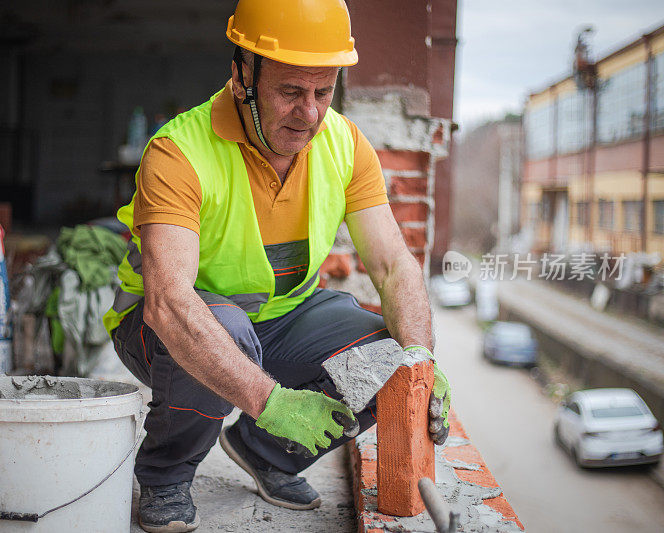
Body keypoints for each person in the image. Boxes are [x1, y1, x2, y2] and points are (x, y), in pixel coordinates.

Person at [105, 1, 451, 531]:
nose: (310, 113)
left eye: (323, 91)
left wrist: (419, 358)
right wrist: (271, 400)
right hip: (161, 327)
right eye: (290, 91)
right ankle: (165, 475)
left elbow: (392, 265)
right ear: (244, 73)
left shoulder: (345, 143)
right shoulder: (179, 152)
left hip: (282, 316)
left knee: (389, 356)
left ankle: (267, 452)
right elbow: (169, 304)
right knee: (225, 329)